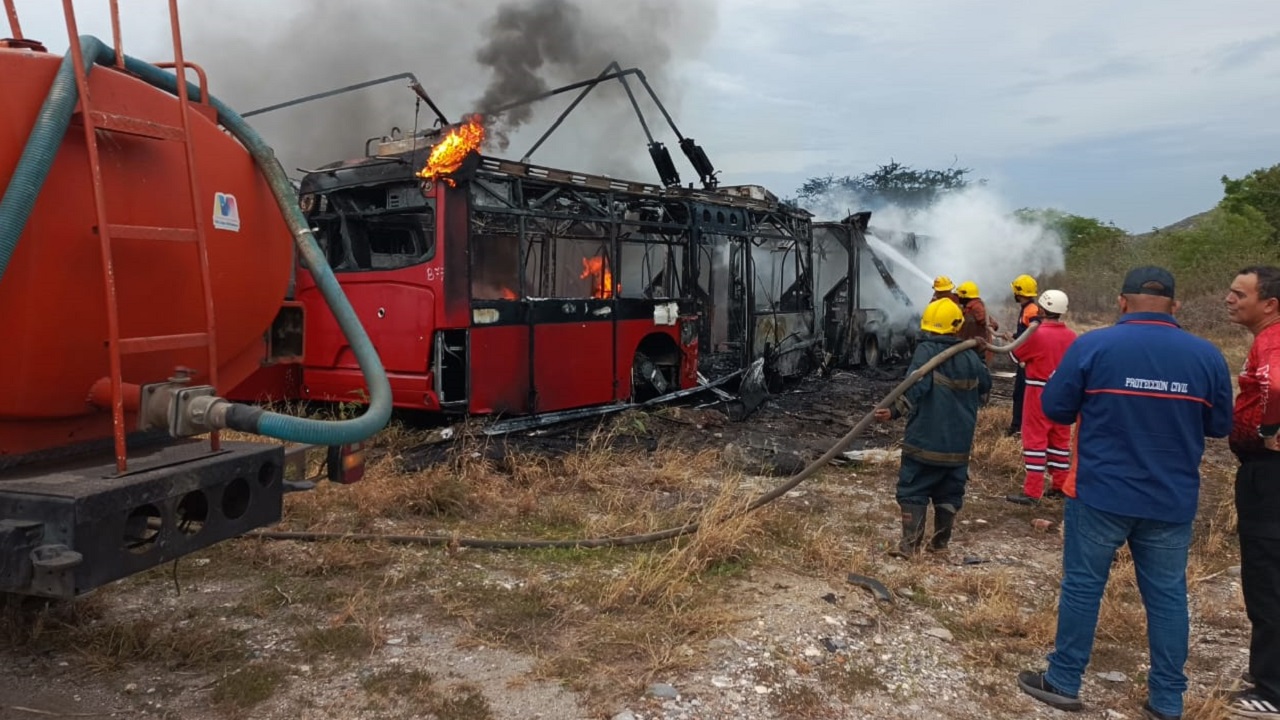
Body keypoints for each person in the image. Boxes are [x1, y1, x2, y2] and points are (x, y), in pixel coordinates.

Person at [1015, 266, 1233, 720]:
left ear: (1120, 302)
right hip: (1171, 500)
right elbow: (1218, 427)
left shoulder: (1093, 346)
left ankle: (1064, 681)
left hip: (1100, 493)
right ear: (1175, 307)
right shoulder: (1207, 356)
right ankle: (1167, 700)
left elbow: (1055, 407)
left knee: (1083, 587)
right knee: (1169, 596)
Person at [874, 298, 992, 556]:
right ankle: (940, 544)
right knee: (949, 492)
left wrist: (892, 411)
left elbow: (916, 387)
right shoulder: (969, 355)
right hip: (958, 446)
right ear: (957, 326)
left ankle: (909, 546)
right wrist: (980, 356)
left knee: (913, 488)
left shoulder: (927, 352)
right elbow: (986, 386)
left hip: (925, 442)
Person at [1224, 265, 1280, 717]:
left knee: (1266, 575)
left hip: (1269, 472)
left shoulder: (1271, 341)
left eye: (1239, 293)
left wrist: (1268, 430)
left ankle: (1272, 689)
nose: (1230, 299)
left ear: (1269, 303)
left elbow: (1275, 384)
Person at [1006, 289, 1078, 505]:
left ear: (1042, 308)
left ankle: (1032, 492)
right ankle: (1060, 485)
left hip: (1038, 391)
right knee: (1059, 440)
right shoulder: (1071, 336)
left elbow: (1014, 354)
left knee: (1035, 441)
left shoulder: (1037, 333)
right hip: (1063, 394)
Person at [1008, 273, 1041, 436]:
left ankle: (1018, 427)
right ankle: (1017, 425)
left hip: (1027, 360)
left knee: (1022, 393)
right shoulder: (1027, 309)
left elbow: (1036, 332)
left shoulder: (1032, 311)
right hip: (1024, 358)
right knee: (1019, 393)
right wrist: (1014, 337)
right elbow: (1026, 332)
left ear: (1019, 293)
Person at [956, 281, 999, 360]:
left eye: (960, 295)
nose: (959, 297)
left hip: (978, 352)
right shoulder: (969, 306)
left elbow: (990, 322)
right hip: (970, 350)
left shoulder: (976, 307)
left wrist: (991, 326)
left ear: (965, 295)